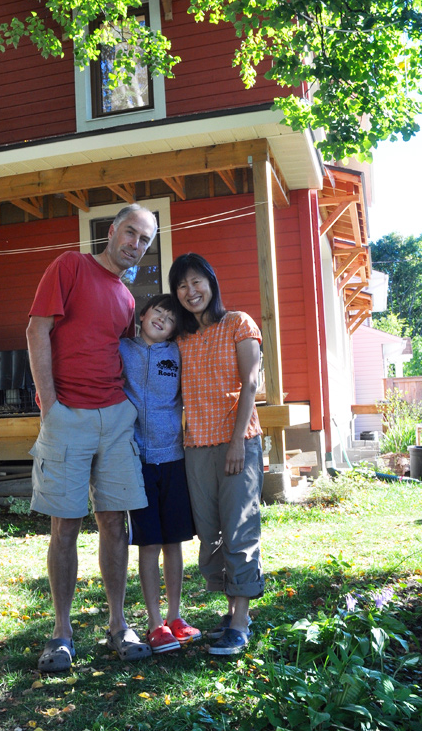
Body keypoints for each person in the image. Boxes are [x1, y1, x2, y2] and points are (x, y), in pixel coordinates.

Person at [26, 203, 158, 673]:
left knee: (115, 522)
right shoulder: (70, 266)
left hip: (116, 416)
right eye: (130, 233)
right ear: (112, 230)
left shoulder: (125, 297)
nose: (135, 244)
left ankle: (118, 624)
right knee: (65, 525)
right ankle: (62, 633)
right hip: (68, 416)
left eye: (144, 240)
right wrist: (50, 404)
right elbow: (36, 330)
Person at [169, 252, 264, 656]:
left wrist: (237, 441)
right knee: (209, 533)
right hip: (195, 447)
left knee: (239, 529)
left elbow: (251, 383)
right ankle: (231, 612)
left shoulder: (238, 323)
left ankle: (241, 622)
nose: (191, 291)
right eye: (182, 285)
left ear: (211, 282)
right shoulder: (181, 338)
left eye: (197, 281)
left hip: (236, 442)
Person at [120, 294, 201, 654]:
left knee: (174, 543)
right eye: (158, 311)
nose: (163, 319)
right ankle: (154, 624)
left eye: (171, 318)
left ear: (175, 328)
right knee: (149, 543)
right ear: (142, 315)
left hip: (173, 458)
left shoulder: (177, 353)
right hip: (137, 459)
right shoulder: (122, 349)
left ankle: (175, 617)